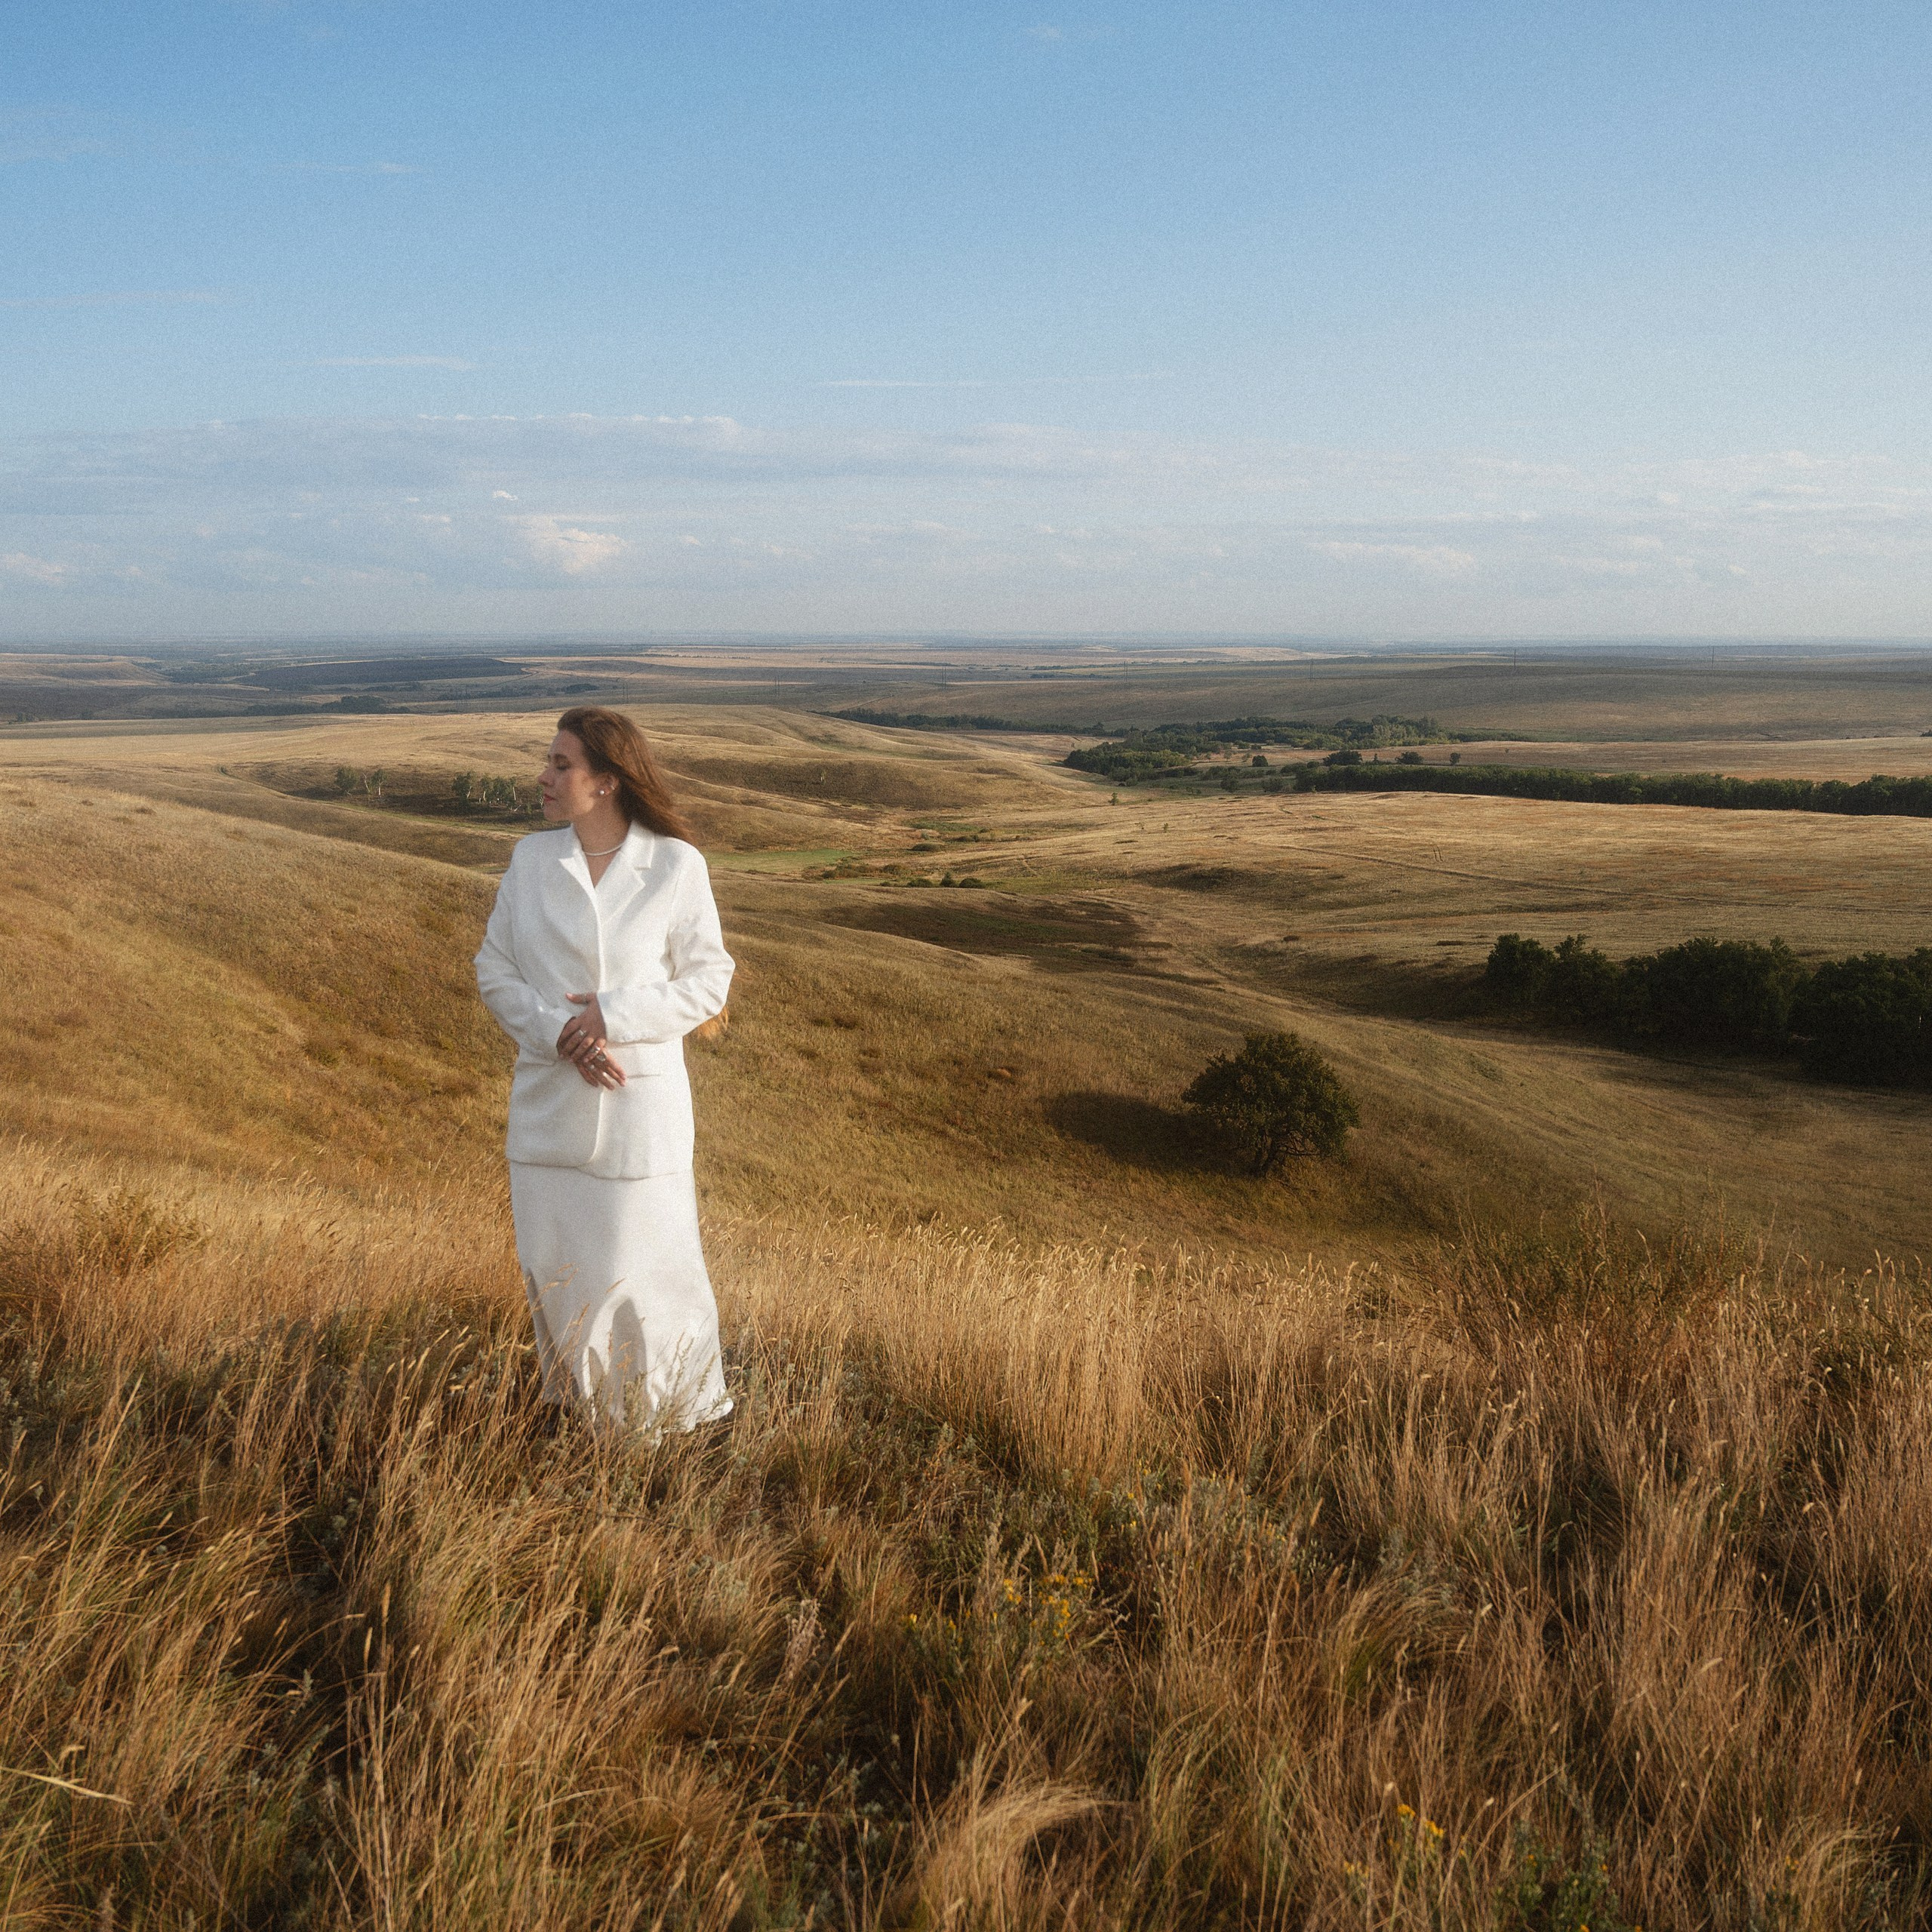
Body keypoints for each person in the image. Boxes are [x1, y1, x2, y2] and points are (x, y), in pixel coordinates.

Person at [474, 706, 735, 1432]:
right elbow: (493, 970)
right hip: (548, 1113)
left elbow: (709, 981)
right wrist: (561, 1032)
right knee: (560, 1279)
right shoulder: (531, 862)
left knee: (647, 1278)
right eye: (549, 762)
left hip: (636, 1116)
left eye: (562, 765)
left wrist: (612, 1017)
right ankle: (581, 1429)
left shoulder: (676, 867)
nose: (545, 777)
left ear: (607, 783)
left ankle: (664, 1433)